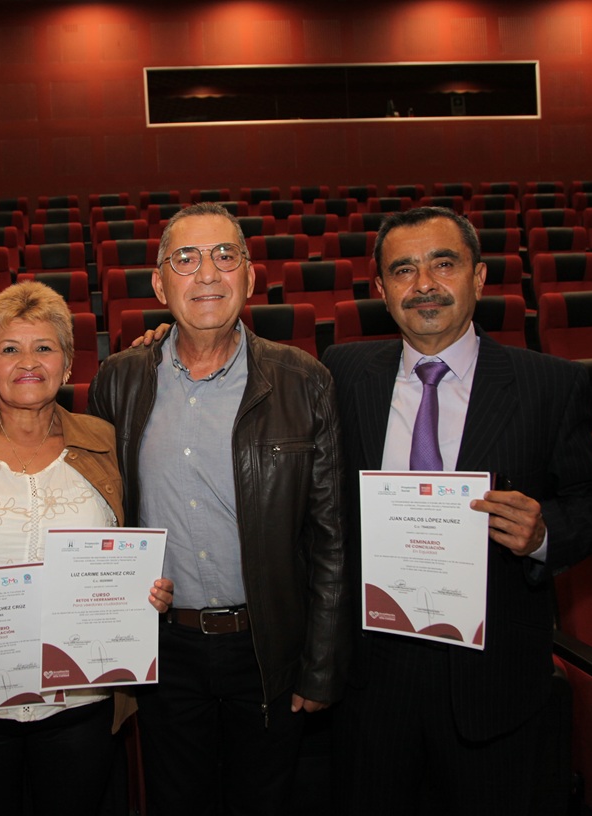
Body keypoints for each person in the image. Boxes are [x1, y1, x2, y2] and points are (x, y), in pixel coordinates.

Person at [323, 207, 592, 815]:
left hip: (493, 683)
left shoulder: (550, 384)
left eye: (444, 264)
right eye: (403, 270)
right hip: (373, 678)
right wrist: (165, 339)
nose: (424, 284)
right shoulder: (343, 372)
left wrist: (543, 532)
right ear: (380, 290)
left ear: (480, 278)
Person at [87, 202, 350, 816]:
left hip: (267, 648)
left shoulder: (304, 381)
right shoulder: (118, 380)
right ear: (159, 284)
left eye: (224, 255)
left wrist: (319, 664)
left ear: (250, 277)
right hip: (165, 649)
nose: (206, 273)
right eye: (185, 258)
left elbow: (331, 538)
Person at [0, 281, 174, 816]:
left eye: (44, 347)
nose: (28, 361)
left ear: (68, 365)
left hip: (80, 701)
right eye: (10, 348)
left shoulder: (105, 442)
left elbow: (139, 536)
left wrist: (151, 591)